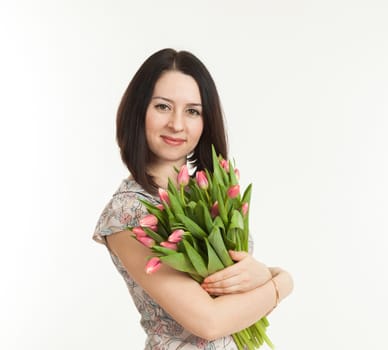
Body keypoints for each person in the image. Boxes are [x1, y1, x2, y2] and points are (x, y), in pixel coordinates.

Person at [93, 48, 294, 350]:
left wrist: (261, 275)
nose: (177, 124)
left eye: (192, 111)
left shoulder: (206, 194)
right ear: (138, 111)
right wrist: (281, 282)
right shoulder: (130, 210)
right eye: (163, 107)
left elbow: (234, 298)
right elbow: (209, 322)